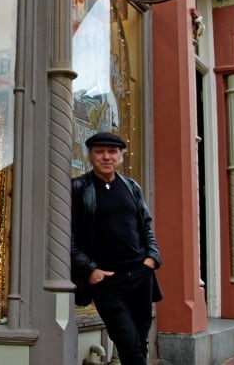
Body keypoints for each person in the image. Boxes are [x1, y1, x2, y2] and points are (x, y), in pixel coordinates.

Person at [70, 131, 163, 365]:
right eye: (99, 152)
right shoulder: (79, 188)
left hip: (141, 276)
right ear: (90, 155)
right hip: (107, 281)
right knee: (128, 343)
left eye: (112, 152)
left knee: (139, 342)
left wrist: (151, 258)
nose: (106, 157)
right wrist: (90, 270)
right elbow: (67, 236)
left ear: (120, 156)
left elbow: (146, 225)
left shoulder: (131, 186)